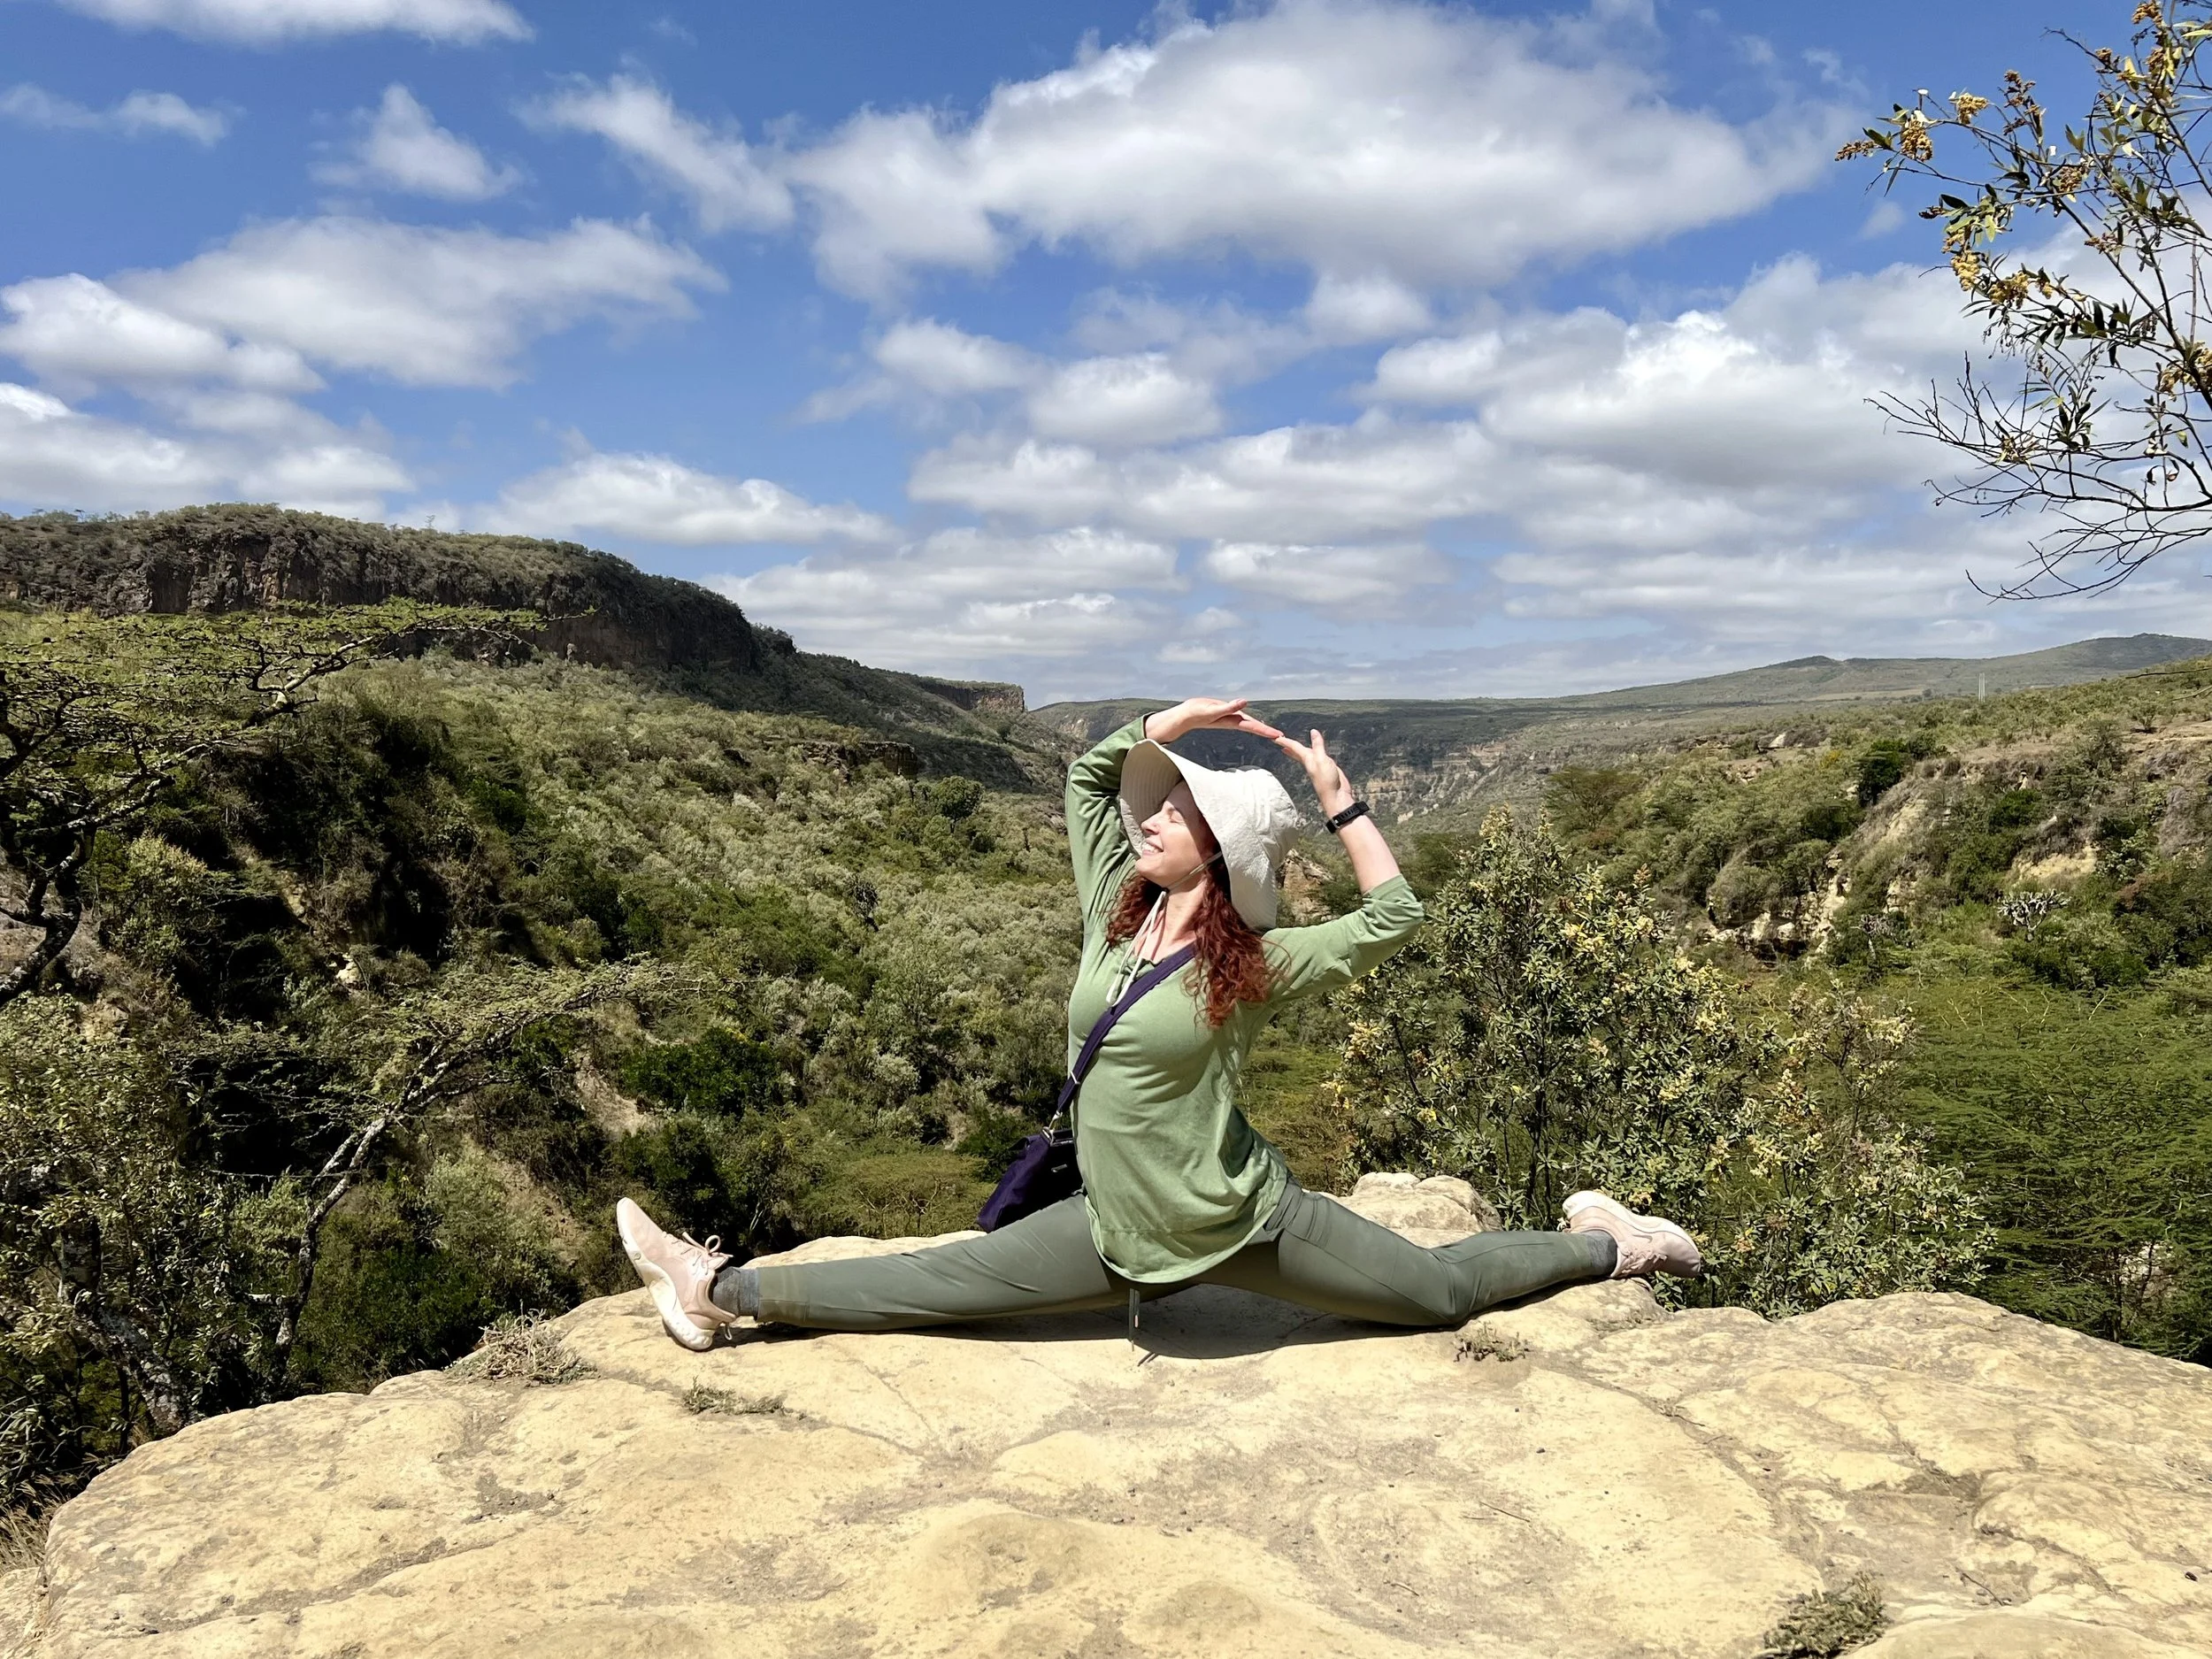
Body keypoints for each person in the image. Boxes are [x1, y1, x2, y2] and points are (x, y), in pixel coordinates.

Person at [616, 697, 1701, 1351]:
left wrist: (1342, 802)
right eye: (1161, 804)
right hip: (1113, 1231)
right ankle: (714, 1290)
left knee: (1438, 1292)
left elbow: (1398, 915)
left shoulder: (1258, 964)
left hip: (1240, 1222)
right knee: (926, 1282)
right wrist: (1165, 729)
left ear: (1220, 854)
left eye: (1177, 814)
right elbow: (1090, 780)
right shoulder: (1114, 916)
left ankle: (1613, 1241)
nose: (1151, 819)